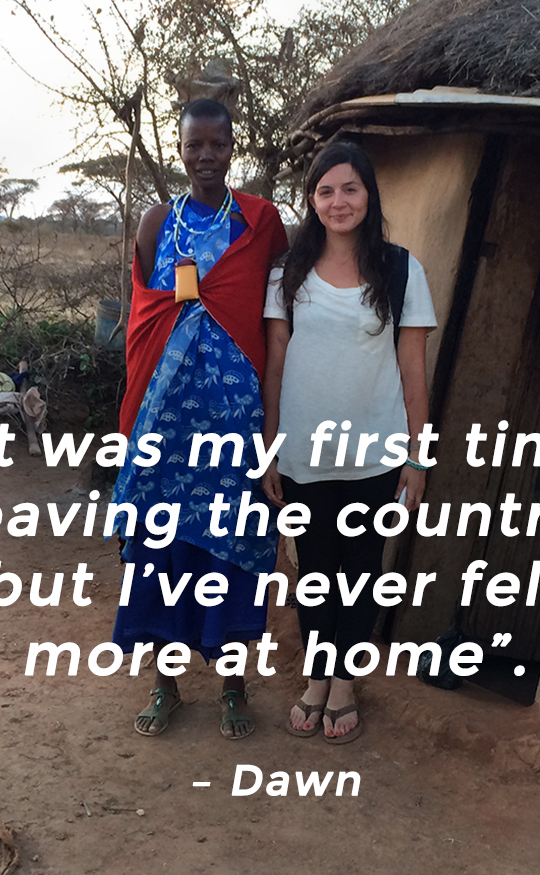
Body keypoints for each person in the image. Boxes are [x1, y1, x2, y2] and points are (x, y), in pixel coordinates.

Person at [110, 98, 287, 739]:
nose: (205, 155)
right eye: (194, 145)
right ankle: (166, 685)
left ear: (233, 148)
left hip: (235, 420)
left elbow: (280, 312)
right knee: (161, 549)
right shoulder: (155, 224)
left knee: (234, 550)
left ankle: (234, 687)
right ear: (178, 150)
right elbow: (143, 322)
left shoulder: (261, 221)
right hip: (165, 423)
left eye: (217, 144)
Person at [261, 141, 436, 744]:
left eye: (350, 189)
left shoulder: (401, 269)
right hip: (305, 453)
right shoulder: (288, 273)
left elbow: (413, 366)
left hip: (375, 454)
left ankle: (344, 685)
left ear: (369, 194)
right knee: (315, 572)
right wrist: (270, 449)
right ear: (312, 201)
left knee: (361, 573)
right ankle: (317, 677)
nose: (339, 202)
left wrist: (418, 455)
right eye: (325, 191)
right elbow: (276, 362)